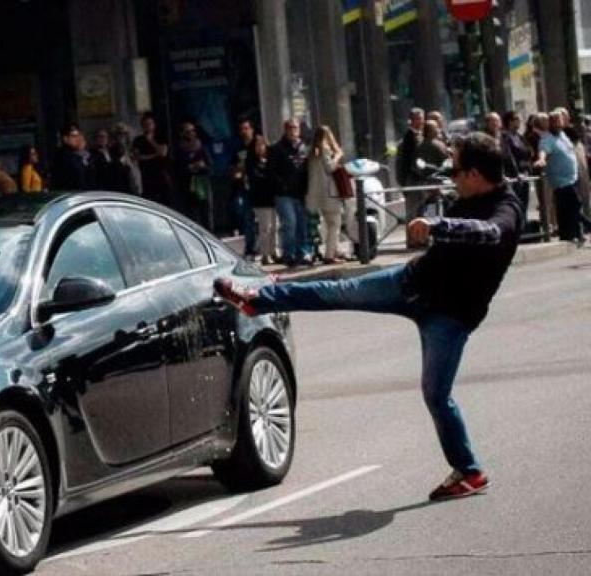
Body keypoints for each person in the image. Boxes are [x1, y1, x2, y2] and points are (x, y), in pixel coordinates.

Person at [216, 132, 523, 501]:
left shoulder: (507, 210)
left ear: (475, 174)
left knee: (436, 395)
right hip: (410, 283)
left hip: (449, 316)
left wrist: (442, 226)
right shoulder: (467, 194)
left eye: (455, 171)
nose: (451, 177)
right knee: (335, 291)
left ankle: (470, 471)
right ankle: (258, 299)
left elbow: (489, 233)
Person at [534, 110, 583, 244]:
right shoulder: (547, 138)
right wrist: (542, 160)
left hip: (572, 178)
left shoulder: (563, 135)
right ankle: (571, 234)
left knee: (569, 208)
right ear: (550, 123)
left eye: (559, 121)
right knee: (574, 204)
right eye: (554, 121)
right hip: (561, 180)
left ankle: (573, 234)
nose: (557, 124)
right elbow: (543, 151)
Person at [269, 118, 311, 267]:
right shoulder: (277, 148)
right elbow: (272, 171)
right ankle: (289, 254)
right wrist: (282, 185)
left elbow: (306, 169)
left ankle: (303, 252)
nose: (294, 131)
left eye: (296, 128)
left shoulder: (303, 147)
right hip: (284, 194)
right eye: (291, 128)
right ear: (285, 130)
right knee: (290, 223)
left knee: (302, 224)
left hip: (300, 193)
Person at [306, 125, 347, 264]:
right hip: (330, 193)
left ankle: (335, 250)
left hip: (318, 195)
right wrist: (338, 155)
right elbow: (329, 167)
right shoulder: (325, 149)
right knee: (334, 224)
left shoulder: (312, 152)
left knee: (330, 223)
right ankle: (329, 255)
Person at [174, 120, 212, 226]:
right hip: (187, 184)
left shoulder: (201, 147)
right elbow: (176, 168)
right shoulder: (179, 149)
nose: (190, 133)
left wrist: (202, 166)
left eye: (192, 131)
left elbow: (210, 165)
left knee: (205, 212)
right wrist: (189, 167)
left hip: (201, 182)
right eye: (187, 131)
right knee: (190, 213)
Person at [247, 134, 277, 265]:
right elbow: (256, 178)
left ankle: (273, 251)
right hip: (260, 199)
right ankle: (265, 254)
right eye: (257, 145)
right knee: (265, 227)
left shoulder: (271, 160)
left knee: (275, 226)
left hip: (273, 197)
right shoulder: (251, 162)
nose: (260, 148)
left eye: (262, 145)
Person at [230, 117, 257, 259]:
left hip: (259, 186)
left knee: (265, 221)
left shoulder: (258, 144)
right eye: (242, 129)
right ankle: (250, 248)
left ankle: (267, 249)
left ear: (252, 129)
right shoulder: (238, 148)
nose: (244, 132)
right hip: (244, 187)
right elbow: (233, 168)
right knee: (246, 217)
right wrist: (237, 172)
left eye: (246, 128)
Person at [133, 112, 175, 206]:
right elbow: (137, 157)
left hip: (161, 173)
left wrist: (151, 141)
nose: (148, 127)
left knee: (166, 201)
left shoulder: (160, 137)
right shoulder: (138, 140)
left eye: (150, 124)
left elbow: (163, 152)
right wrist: (155, 155)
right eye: (145, 125)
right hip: (147, 175)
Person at [397, 109, 426, 228]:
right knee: (413, 211)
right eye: (418, 118)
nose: (421, 121)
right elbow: (405, 161)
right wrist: (404, 182)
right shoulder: (409, 137)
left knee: (420, 210)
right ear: (412, 120)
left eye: (422, 118)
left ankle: (420, 237)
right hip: (412, 179)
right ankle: (413, 238)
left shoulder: (420, 135)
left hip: (419, 179)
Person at [502, 111, 533, 213]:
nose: (519, 121)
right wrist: (517, 174)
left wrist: (527, 170)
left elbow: (528, 154)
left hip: (525, 175)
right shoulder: (506, 137)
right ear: (510, 122)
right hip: (515, 178)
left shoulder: (519, 137)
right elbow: (509, 157)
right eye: (516, 119)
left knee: (524, 205)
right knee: (517, 206)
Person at [51, 124, 95, 191]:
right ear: (65, 139)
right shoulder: (64, 156)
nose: (78, 139)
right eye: (74, 136)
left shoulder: (77, 154)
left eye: (78, 136)